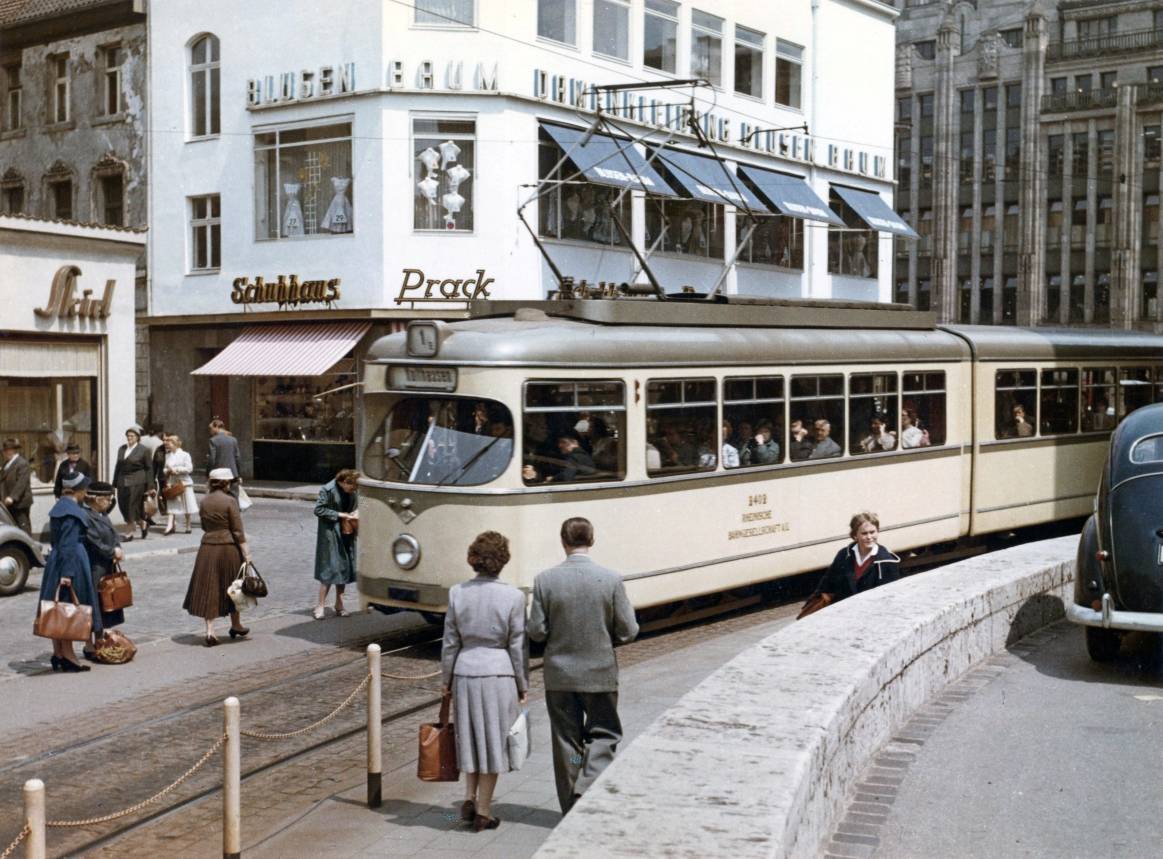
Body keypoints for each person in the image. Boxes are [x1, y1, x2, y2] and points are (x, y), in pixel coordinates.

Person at [528, 517, 639, 815]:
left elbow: (536, 631)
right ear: (592, 540)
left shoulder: (544, 580)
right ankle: (588, 787)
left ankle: (570, 807)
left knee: (568, 743)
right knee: (604, 734)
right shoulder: (611, 579)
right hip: (600, 674)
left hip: (560, 677)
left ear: (563, 541)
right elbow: (629, 630)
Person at [440, 531, 528, 832]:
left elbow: (450, 642)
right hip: (499, 673)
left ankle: (468, 797)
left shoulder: (457, 593)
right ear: (502, 561)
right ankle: (484, 811)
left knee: (469, 737)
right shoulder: (514, 596)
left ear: (473, 559)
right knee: (493, 741)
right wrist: (522, 683)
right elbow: (517, 645)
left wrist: (446, 679)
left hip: (465, 672)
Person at [37, 472, 100, 672]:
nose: (86, 493)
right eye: (84, 490)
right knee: (69, 609)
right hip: (70, 562)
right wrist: (68, 573)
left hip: (57, 561)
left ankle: (58, 653)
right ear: (78, 490)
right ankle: (69, 656)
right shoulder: (72, 512)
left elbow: (59, 543)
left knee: (57, 609)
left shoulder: (59, 508)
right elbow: (69, 545)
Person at [182, 468, 252, 646]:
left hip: (207, 548)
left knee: (209, 587)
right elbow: (237, 530)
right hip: (228, 548)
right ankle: (235, 623)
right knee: (233, 585)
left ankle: (210, 630)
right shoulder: (230, 501)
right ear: (226, 483)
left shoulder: (204, 501)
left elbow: (205, 525)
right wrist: (246, 552)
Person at [807, 512, 901, 607]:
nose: (869, 537)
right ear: (855, 535)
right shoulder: (843, 555)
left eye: (872, 532)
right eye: (864, 533)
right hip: (843, 612)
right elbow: (827, 583)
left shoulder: (887, 562)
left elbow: (891, 598)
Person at [81, 481, 125, 659]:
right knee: (93, 605)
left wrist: (117, 547)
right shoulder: (87, 516)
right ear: (96, 499)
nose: (109, 502)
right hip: (94, 566)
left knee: (104, 603)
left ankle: (99, 640)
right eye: (107, 499)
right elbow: (94, 541)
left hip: (106, 565)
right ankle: (88, 644)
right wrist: (111, 551)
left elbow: (112, 534)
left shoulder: (102, 514)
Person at [313, 468, 360, 620]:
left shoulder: (351, 492)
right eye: (351, 487)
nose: (352, 491)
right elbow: (319, 509)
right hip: (331, 533)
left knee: (343, 568)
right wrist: (340, 515)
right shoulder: (328, 489)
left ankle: (339, 605)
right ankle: (320, 606)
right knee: (329, 568)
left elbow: (356, 504)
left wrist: (354, 514)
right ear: (345, 482)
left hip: (346, 531)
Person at [112, 427, 152, 540]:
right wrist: (114, 484)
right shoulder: (122, 449)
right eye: (128, 436)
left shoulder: (144, 450)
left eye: (132, 436)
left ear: (137, 438)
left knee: (131, 505)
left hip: (137, 480)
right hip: (122, 481)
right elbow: (117, 466)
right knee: (123, 505)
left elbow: (149, 468)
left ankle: (129, 532)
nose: (129, 438)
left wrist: (150, 486)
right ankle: (143, 523)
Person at [162, 434, 198, 535]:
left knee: (187, 505)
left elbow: (189, 468)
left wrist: (177, 470)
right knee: (172, 504)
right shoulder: (167, 455)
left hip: (184, 482)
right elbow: (164, 468)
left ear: (175, 443)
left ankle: (188, 524)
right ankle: (169, 526)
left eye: (170, 443)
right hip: (172, 483)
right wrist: (167, 471)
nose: (168, 445)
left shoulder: (185, 455)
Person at [1, 438, 33, 534]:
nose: (5, 453)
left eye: (7, 450)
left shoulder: (22, 463)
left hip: (20, 503)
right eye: (4, 451)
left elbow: (21, 483)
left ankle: (28, 546)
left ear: (13, 451)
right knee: (11, 526)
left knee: (23, 525)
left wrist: (12, 497)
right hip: (7, 503)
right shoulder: (6, 464)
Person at [207, 419, 242, 499]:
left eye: (211, 428)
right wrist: (238, 474)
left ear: (216, 427)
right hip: (233, 473)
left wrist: (208, 473)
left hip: (219, 474)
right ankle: (234, 510)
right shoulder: (233, 440)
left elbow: (212, 459)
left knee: (218, 497)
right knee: (234, 497)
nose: (210, 431)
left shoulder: (213, 440)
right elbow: (237, 458)